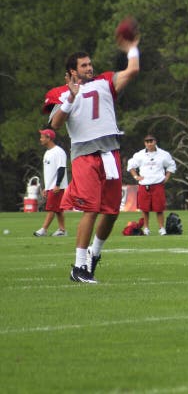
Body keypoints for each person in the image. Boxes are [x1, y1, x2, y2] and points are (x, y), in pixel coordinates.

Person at [50, 34, 140, 284]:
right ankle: (78, 267)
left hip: (110, 152)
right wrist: (71, 96)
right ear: (72, 71)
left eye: (90, 64)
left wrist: (132, 47)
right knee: (90, 208)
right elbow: (56, 124)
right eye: (84, 66)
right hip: (85, 155)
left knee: (111, 212)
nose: (90, 68)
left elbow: (133, 70)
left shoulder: (105, 81)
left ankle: (93, 255)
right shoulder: (63, 93)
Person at [127, 134, 177, 236]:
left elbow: (171, 165)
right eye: (147, 141)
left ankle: (161, 228)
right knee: (145, 209)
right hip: (144, 185)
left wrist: (167, 177)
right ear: (145, 143)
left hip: (157, 184)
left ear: (155, 142)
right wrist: (136, 177)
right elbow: (130, 165)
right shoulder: (139, 155)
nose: (149, 143)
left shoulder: (163, 154)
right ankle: (146, 228)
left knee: (159, 209)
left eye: (151, 141)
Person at [33, 129, 69, 237]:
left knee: (51, 208)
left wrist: (57, 184)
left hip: (57, 186)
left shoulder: (59, 152)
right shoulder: (47, 153)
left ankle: (43, 229)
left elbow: (61, 168)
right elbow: (48, 172)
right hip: (51, 187)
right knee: (57, 209)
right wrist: (45, 187)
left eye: (42, 137)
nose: (40, 139)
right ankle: (62, 230)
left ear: (48, 138)